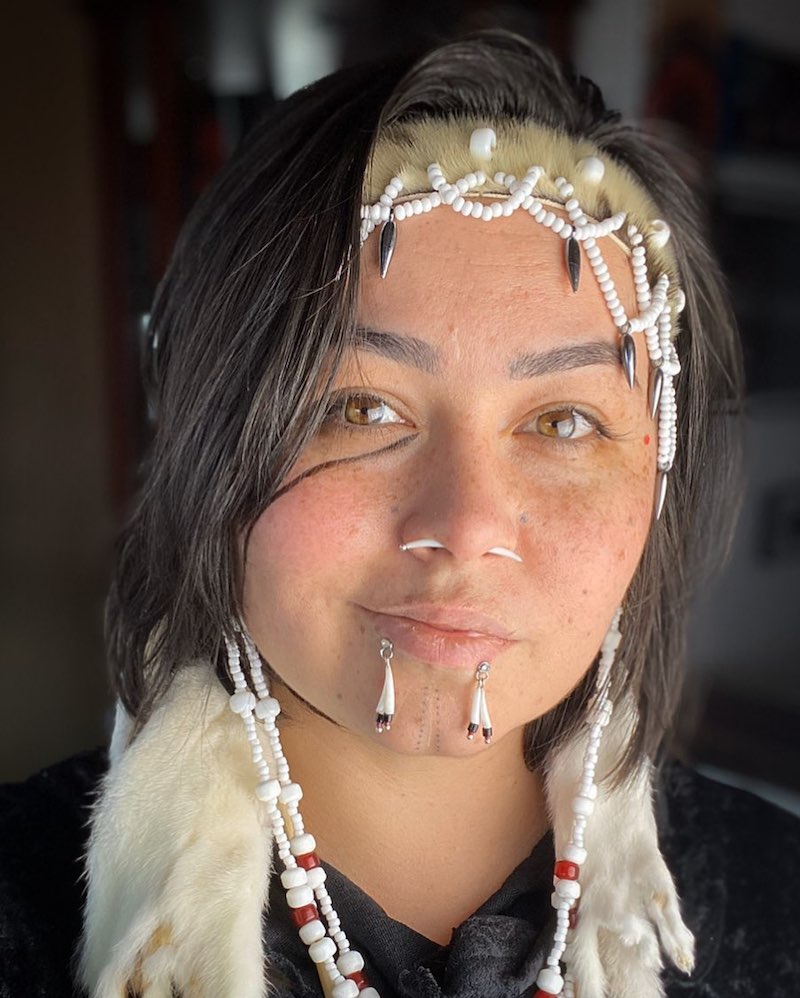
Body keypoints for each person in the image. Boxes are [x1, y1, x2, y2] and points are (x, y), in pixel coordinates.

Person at [2, 29, 798, 998]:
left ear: (655, 476)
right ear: (210, 446)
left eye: (562, 419)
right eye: (358, 408)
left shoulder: (773, 900)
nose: (465, 526)